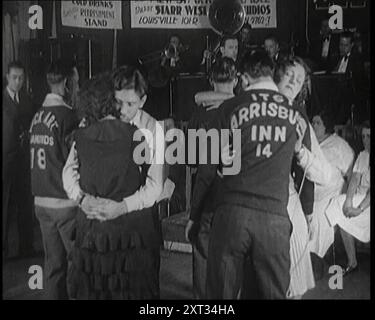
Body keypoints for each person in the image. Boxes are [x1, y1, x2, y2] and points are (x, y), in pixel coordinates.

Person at [193, 50, 305, 299]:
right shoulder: (297, 114)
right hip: (275, 219)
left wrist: (195, 214)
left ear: (243, 79)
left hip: (232, 215)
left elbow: (207, 167)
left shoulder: (230, 107)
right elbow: (308, 163)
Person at [63, 66, 163, 299]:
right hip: (95, 232)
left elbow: (154, 185)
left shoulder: (151, 128)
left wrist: (123, 206)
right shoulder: (90, 123)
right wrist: (80, 197)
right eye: (118, 102)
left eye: (131, 104)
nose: (124, 110)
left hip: (135, 231)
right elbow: (69, 170)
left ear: (143, 100)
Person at [185, 57, 238, 299]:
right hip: (237, 196)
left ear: (211, 81)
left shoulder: (199, 114)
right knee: (230, 258)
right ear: (236, 80)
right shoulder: (242, 110)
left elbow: (193, 162)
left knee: (203, 251)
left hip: (208, 196)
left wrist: (192, 213)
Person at [29, 59, 80, 299]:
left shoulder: (37, 116)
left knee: (53, 266)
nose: (78, 88)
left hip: (41, 202)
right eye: (77, 83)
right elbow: (75, 161)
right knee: (79, 264)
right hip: (64, 204)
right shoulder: (68, 117)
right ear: (68, 84)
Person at [325, 121, 370, 276]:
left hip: (367, 202)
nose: (366, 140)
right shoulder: (363, 156)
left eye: (369, 136)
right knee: (341, 209)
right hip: (361, 198)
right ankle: (352, 262)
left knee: (337, 205)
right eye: (363, 136)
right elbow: (355, 179)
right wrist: (349, 200)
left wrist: (359, 208)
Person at [309, 111, 355, 258]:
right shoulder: (309, 143)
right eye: (313, 122)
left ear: (326, 126)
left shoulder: (339, 146)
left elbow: (351, 175)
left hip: (329, 196)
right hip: (309, 195)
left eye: (318, 123)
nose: (314, 125)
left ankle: (315, 259)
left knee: (318, 223)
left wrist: (345, 198)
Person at [3, 61, 36, 259]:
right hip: (5, 161)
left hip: (24, 160)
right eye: (14, 77)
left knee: (25, 204)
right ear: (7, 77)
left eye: (21, 78)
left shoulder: (27, 100)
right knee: (5, 205)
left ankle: (26, 247)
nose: (18, 81)